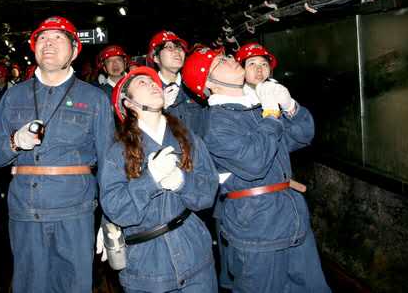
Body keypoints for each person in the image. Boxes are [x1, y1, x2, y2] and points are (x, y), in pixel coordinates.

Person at [0, 16, 114, 293]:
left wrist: (111, 219)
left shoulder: (94, 99)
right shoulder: (14, 96)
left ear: (74, 51)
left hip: (75, 211)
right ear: (34, 49)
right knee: (30, 285)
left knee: (74, 285)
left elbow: (109, 163)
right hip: (25, 211)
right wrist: (14, 142)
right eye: (42, 38)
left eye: (57, 38)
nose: (48, 43)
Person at [182, 47, 330, 293]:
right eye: (220, 61)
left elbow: (302, 136)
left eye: (226, 56)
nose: (230, 59)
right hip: (258, 227)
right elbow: (255, 162)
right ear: (209, 83)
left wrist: (290, 107)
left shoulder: (253, 108)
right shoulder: (216, 123)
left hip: (291, 216)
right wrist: (271, 115)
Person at [99, 66, 219, 292]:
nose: (153, 84)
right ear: (128, 103)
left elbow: (208, 194)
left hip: (195, 256)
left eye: (154, 82)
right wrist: (150, 179)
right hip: (147, 268)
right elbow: (117, 210)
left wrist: (182, 182)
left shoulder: (188, 138)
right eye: (142, 83)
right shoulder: (117, 153)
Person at [146, 30, 207, 138]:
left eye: (179, 47)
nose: (177, 51)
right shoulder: (148, 92)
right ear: (155, 58)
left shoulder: (196, 85)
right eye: (169, 47)